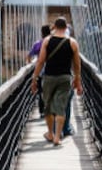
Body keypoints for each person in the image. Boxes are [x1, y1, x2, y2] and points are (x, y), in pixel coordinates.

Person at [30, 17, 82, 146]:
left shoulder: (47, 41)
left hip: (49, 77)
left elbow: (41, 61)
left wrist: (34, 78)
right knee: (61, 107)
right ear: (66, 28)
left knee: (48, 107)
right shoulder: (73, 42)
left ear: (54, 27)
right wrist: (77, 80)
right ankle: (58, 137)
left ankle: (50, 133)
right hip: (65, 78)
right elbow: (77, 65)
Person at [27, 24, 50, 118]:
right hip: (53, 71)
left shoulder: (38, 44)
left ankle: (42, 112)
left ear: (41, 33)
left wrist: (30, 66)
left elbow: (29, 56)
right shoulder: (54, 42)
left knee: (41, 92)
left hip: (41, 72)